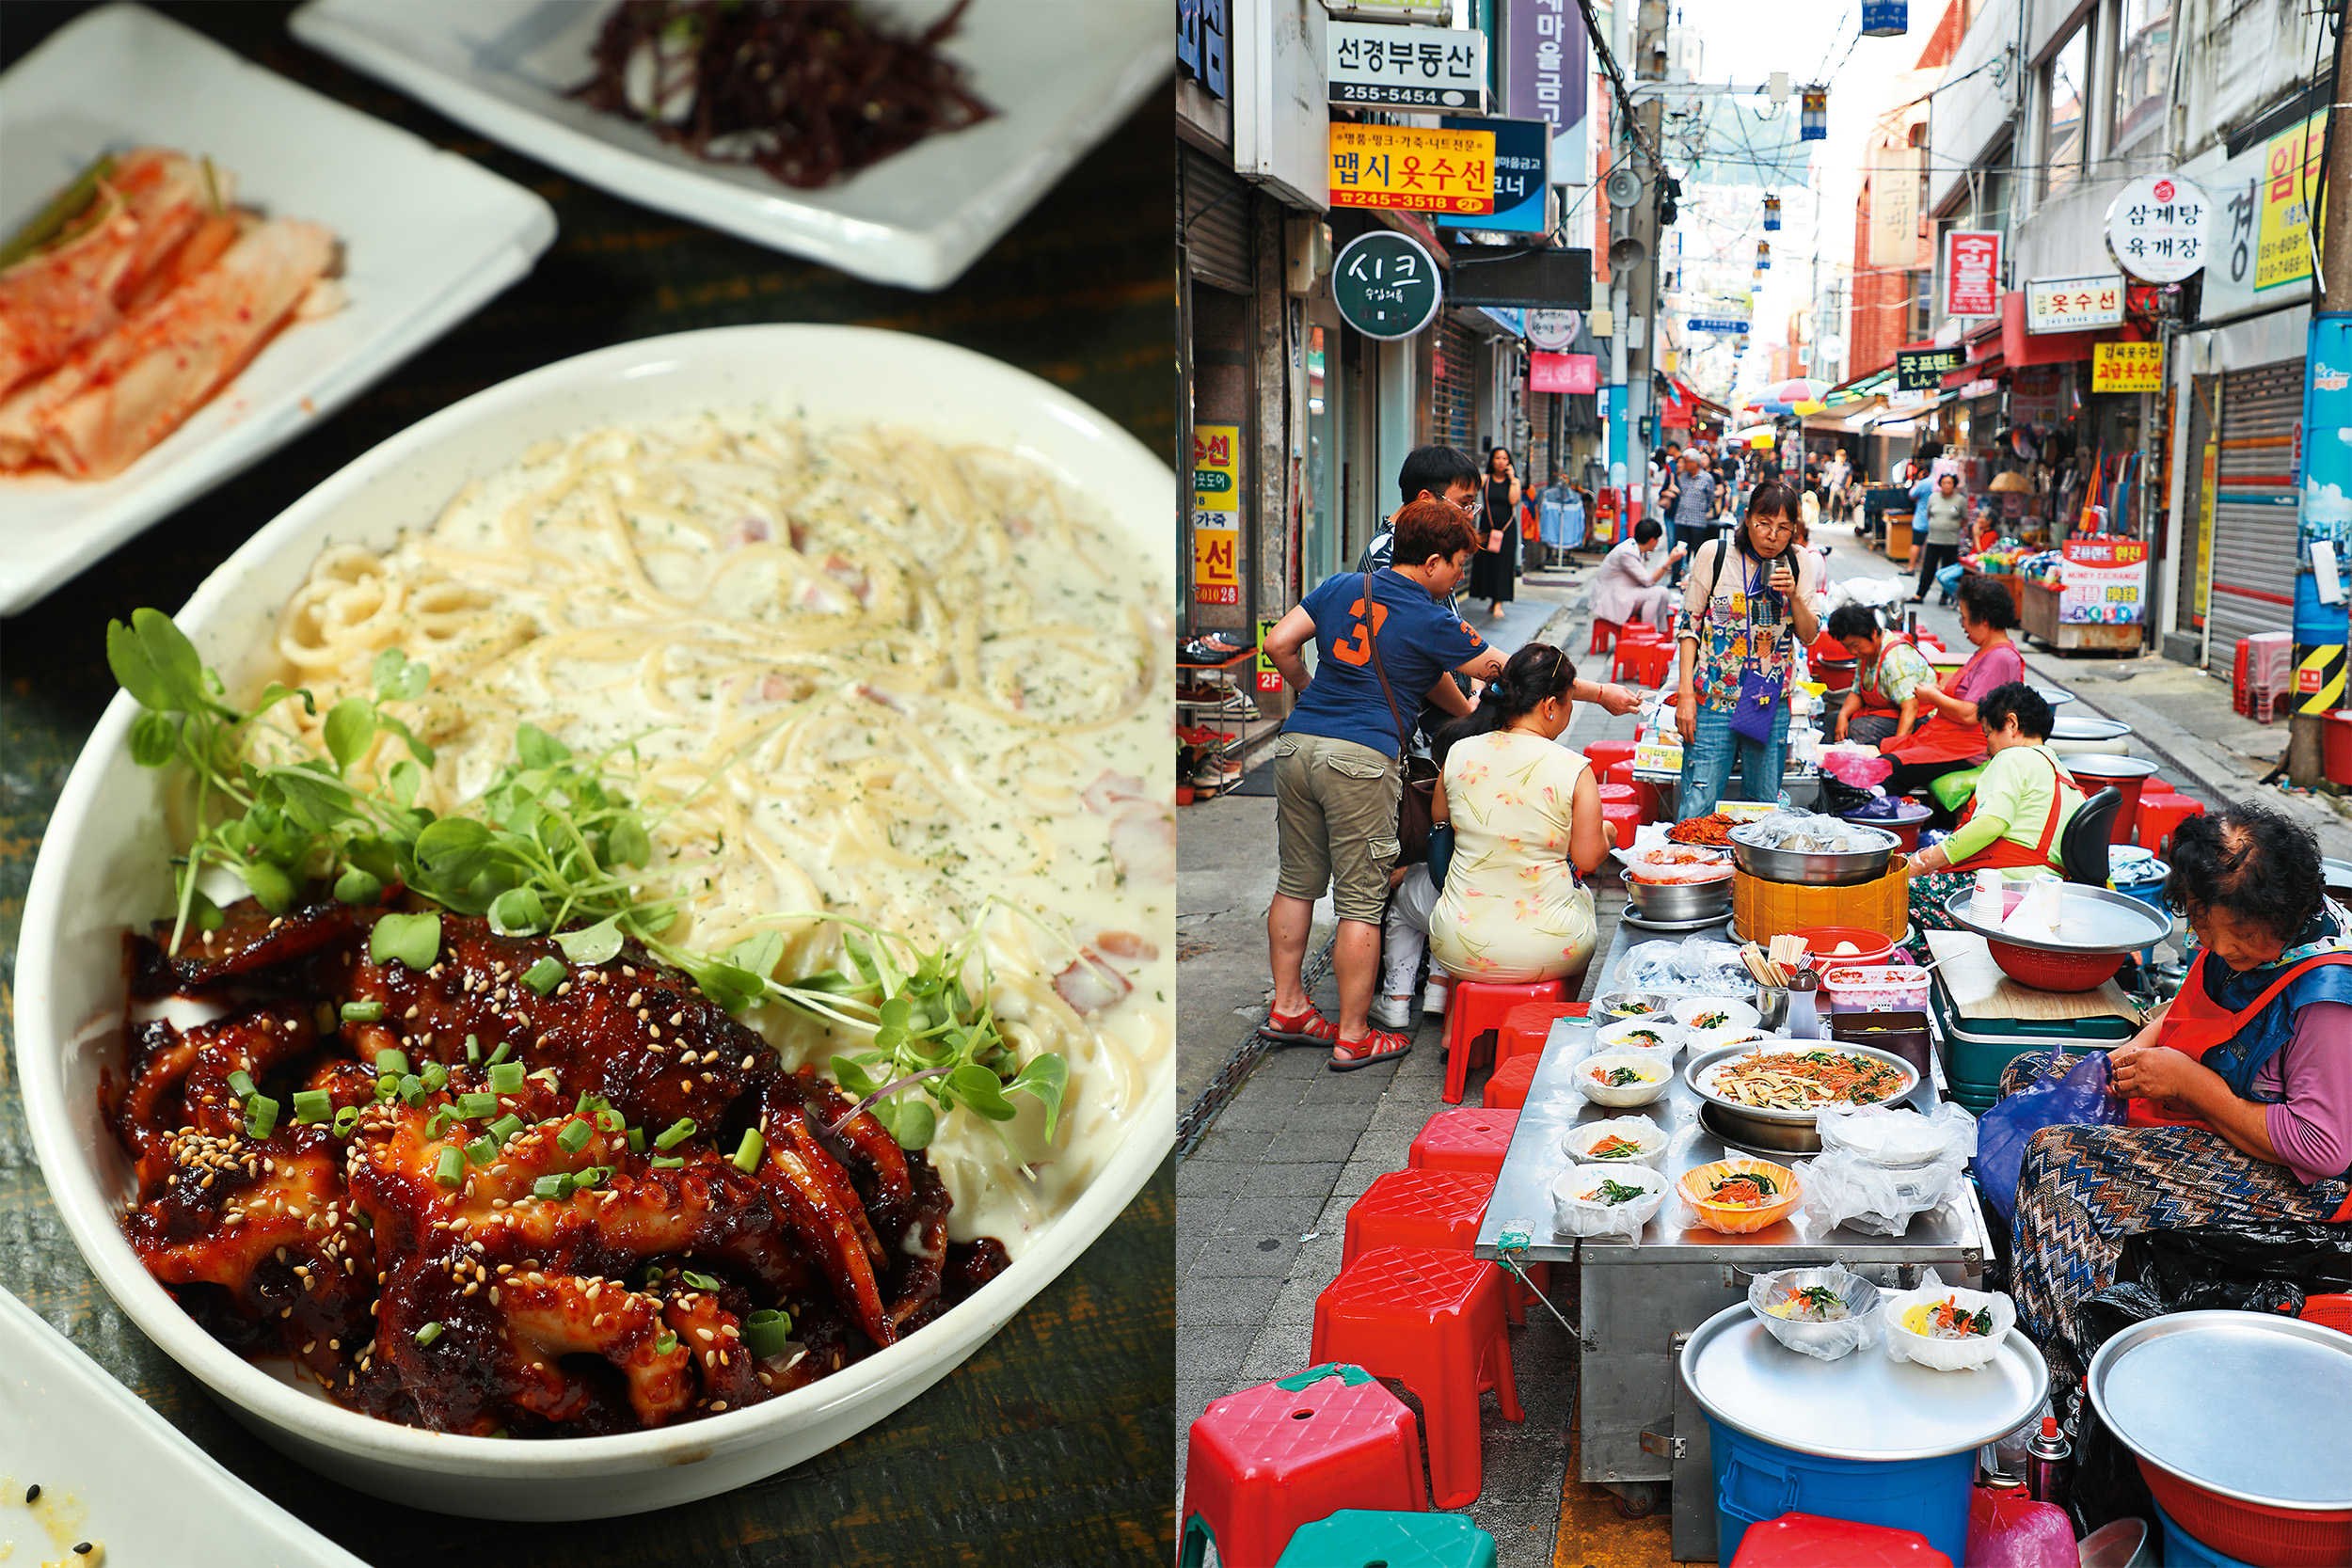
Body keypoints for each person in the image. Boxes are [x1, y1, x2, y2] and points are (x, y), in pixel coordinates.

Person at [2001, 802, 2352, 1418]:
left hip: (2303, 1185)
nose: (2218, 946)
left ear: (2283, 914)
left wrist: (2192, 1085)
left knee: (2064, 1162)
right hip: (2213, 1115)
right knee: (2030, 1077)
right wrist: (2133, 1054)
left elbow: (2325, 1149)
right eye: (2204, 927)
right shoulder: (2241, 938)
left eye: (2237, 937)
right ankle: (2055, 1271)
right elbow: (2182, 1012)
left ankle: (2068, 1393)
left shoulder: (2325, 996)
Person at [1261, 499, 1502, 1068]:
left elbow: (1278, 644)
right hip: (1361, 760)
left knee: (1295, 883)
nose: (1459, 577)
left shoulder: (1342, 585)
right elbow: (1508, 668)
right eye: (1458, 565)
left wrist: (1310, 689)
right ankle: (1353, 1035)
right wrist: (1594, 693)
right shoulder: (1431, 617)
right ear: (1434, 562)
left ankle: (1289, 1006)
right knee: (1361, 902)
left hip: (1297, 745)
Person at [1426, 644, 1609, 986]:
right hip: (1547, 948)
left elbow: (1441, 818)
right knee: (1582, 897)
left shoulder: (1460, 752)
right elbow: (1588, 857)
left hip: (1454, 942)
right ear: (1550, 706)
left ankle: (1460, 1014)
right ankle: (1552, 1013)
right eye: (1569, 701)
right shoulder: (1574, 768)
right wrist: (1605, 834)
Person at [1673, 479, 1822, 816]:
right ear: (1747, 517)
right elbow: (1689, 625)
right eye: (1763, 524)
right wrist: (1685, 694)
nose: (1772, 536)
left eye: (1784, 528)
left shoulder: (1798, 560)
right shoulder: (1715, 554)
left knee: (1763, 808)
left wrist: (1794, 595)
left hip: (1767, 701)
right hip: (1713, 700)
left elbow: (1809, 635)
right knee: (1698, 803)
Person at [1899, 682, 2087, 930]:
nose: (1988, 749)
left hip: (2005, 891)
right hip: (2047, 895)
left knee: (1894, 889)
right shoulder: (2064, 775)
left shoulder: (2013, 756)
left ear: (2012, 724)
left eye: (1988, 734)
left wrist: (1926, 860)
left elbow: (1991, 823)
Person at [1878, 571, 2027, 807]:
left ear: (1983, 619)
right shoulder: (1990, 652)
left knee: (1886, 769)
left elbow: (1970, 713)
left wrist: (1933, 696)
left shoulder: (1999, 658)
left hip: (1968, 749)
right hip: (1951, 739)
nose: (1963, 625)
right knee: (1887, 758)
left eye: (1964, 618)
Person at [1826, 603, 1935, 747]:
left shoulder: (1896, 659)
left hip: (1919, 718)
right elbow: (1857, 691)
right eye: (1847, 647)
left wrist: (1896, 750)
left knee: (1858, 729)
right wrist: (1843, 715)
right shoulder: (1866, 654)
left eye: (1855, 645)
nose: (1852, 652)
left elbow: (1910, 708)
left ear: (1872, 632)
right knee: (1832, 720)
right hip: (1888, 713)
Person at [1592, 516, 1685, 633]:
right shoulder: (1627, 552)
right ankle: (1647, 632)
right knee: (1656, 594)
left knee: (1663, 592)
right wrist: (1670, 561)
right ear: (1651, 540)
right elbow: (1648, 581)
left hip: (1622, 593)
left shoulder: (1633, 548)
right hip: (1611, 599)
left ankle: (1661, 633)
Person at [1470, 445, 1520, 620]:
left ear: (1509, 462)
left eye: (1504, 458)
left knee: (1504, 563)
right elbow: (1470, 493)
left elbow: (1513, 500)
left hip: (1507, 528)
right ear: (1491, 460)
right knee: (1487, 562)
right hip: (1488, 526)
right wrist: (1475, 509)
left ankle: (1499, 601)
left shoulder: (1514, 482)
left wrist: (1512, 479)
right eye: (1498, 458)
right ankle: (1491, 598)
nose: (1501, 462)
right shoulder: (1485, 479)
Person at [1661, 447, 1718, 587]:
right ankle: (1675, 578)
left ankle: (1697, 579)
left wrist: (1702, 510)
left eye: (1686, 462)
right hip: (1681, 519)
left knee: (1698, 551)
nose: (1683, 465)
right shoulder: (1683, 477)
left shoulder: (1707, 478)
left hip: (1698, 521)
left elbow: (1710, 498)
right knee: (1679, 549)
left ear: (1694, 462)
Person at [1915, 471, 1968, 603]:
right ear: (1940, 484)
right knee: (1928, 568)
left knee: (1948, 569)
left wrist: (1952, 526)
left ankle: (1945, 596)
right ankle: (1920, 594)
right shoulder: (1933, 498)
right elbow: (1929, 514)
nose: (1947, 485)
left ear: (1954, 485)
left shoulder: (1960, 500)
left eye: (1949, 483)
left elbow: (1964, 519)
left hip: (1950, 541)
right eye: (1944, 483)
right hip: (1933, 539)